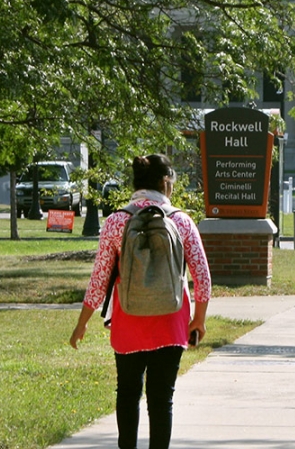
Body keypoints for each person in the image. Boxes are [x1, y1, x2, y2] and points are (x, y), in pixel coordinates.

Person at [69, 154, 211, 449]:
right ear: (164, 182)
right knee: (162, 398)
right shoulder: (181, 221)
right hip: (171, 322)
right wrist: (198, 319)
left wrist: (81, 324)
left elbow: (99, 280)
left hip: (128, 320)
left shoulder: (116, 221)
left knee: (128, 393)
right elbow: (203, 277)